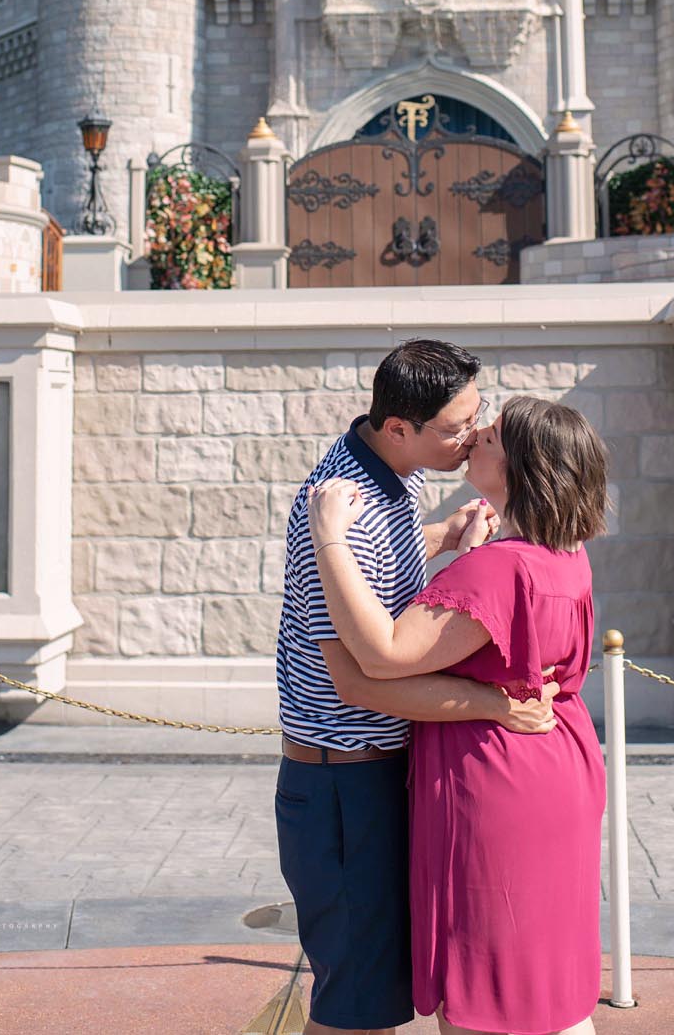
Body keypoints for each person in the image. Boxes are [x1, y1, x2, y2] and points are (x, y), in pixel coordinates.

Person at [276, 341, 560, 1035]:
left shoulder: (399, 479)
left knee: (378, 993)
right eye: (456, 426)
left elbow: (383, 571)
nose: (471, 436)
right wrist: (498, 705)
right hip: (345, 786)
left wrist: (440, 535)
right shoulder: (339, 512)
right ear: (398, 426)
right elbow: (359, 678)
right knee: (357, 1012)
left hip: (382, 776)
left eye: (476, 416)